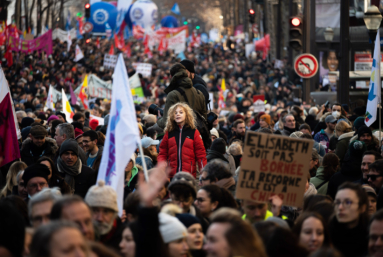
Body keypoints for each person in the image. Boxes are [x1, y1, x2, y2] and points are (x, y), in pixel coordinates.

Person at [158, 102, 207, 179]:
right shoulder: (169, 132)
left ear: (186, 115)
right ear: (172, 116)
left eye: (181, 112)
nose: (178, 114)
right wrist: (161, 164)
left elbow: (201, 155)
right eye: (175, 113)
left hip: (188, 175)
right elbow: (162, 152)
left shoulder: (194, 132)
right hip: (172, 176)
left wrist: (203, 173)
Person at [157, 63, 206, 129]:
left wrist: (160, 118)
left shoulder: (173, 95)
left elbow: (166, 123)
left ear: (172, 77)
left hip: (180, 137)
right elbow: (204, 119)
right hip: (197, 136)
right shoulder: (199, 93)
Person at [330, 182, 369, 257]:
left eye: (348, 202)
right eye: (337, 202)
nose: (340, 207)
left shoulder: (373, 236)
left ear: (362, 208)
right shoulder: (326, 233)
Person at [85, 180, 123, 251]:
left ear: (114, 214)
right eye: (95, 211)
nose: (100, 218)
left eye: (106, 211)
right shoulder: (76, 235)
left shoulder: (124, 238)